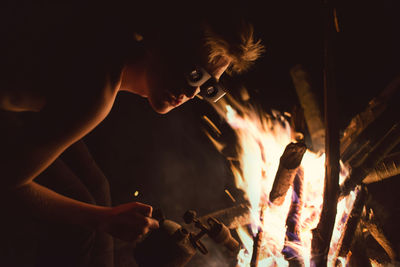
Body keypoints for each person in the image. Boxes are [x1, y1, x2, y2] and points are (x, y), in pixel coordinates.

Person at [0, 1, 264, 266]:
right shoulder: (98, 89)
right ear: (159, 41)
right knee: (82, 219)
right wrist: (103, 219)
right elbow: (9, 182)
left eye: (208, 86)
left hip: (18, 112)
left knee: (97, 187)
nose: (192, 91)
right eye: (192, 72)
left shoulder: (114, 45)